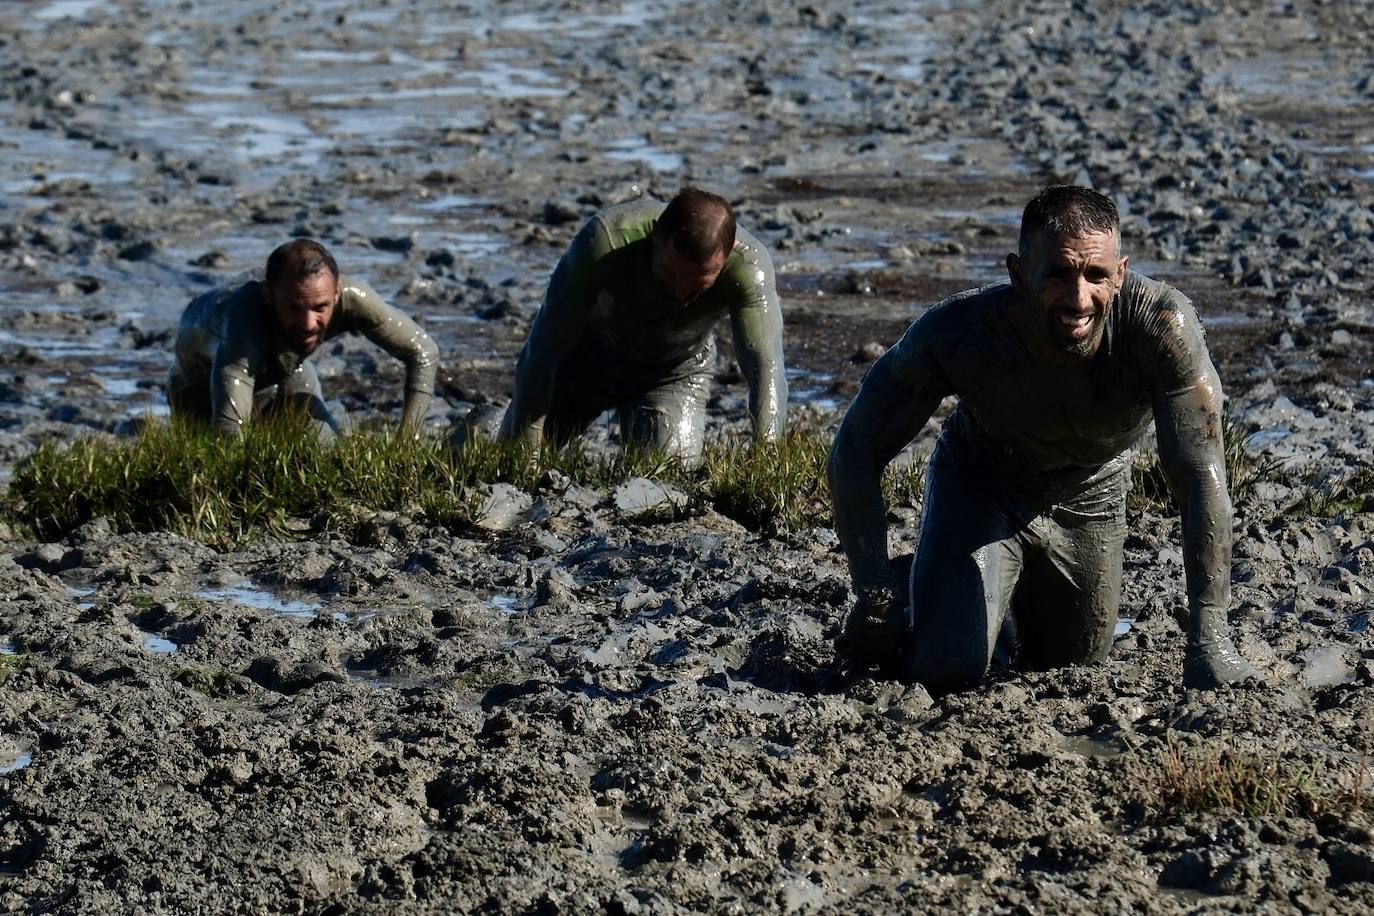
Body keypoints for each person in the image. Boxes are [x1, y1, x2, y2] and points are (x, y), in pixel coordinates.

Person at [828, 185, 1259, 693]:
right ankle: (924, 586)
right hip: (983, 486)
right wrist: (874, 595)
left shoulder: (1161, 326)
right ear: (1018, 273)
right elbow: (854, 450)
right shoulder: (957, 333)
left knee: (1071, 667)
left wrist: (1209, 638)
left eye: (1096, 276)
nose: (1078, 299)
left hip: (1091, 495)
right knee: (949, 669)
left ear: (1119, 274)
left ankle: (977, 595)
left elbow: (1201, 478)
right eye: (1057, 274)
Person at [498, 188, 787, 461]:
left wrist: (766, 457)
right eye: (667, 273)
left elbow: (765, 366)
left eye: (696, 287)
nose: (677, 293)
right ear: (655, 235)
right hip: (583, 362)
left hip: (673, 372)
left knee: (668, 480)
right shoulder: (606, 240)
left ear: (724, 261)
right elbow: (542, 351)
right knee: (507, 450)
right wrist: (525, 460)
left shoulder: (749, 268)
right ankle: (486, 425)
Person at [167, 239, 439, 441]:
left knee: (324, 445)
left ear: (336, 294)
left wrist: (409, 439)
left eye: (320, 308)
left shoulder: (354, 299)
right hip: (200, 387)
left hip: (284, 366)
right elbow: (228, 434)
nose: (309, 324)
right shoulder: (242, 322)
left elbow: (423, 352)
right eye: (294, 308)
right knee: (211, 455)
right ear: (268, 296)